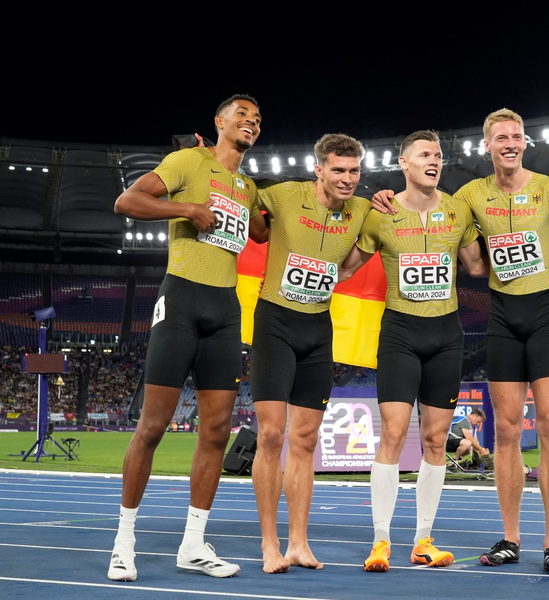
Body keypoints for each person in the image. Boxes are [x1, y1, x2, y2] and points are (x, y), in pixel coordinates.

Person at [371, 109, 549, 576]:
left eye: (517, 136)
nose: (510, 143)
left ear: (524, 143)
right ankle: (511, 538)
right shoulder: (470, 197)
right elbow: (459, 245)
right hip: (502, 317)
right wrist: (384, 198)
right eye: (501, 137)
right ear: (488, 146)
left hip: (546, 315)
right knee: (510, 430)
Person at [108, 94, 267, 582]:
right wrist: (189, 209)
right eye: (242, 115)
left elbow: (262, 232)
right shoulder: (187, 161)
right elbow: (127, 201)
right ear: (218, 122)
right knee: (152, 427)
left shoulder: (248, 186)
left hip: (224, 309)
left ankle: (193, 545)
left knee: (217, 432)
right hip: (179, 302)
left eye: (257, 119)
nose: (251, 122)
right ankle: (123, 541)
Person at [338, 130, 488, 572]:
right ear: (404, 164)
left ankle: (423, 539)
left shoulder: (458, 210)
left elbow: (477, 266)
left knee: (436, 439)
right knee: (393, 434)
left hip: (447, 334)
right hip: (400, 333)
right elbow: (346, 265)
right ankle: (380, 539)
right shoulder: (380, 213)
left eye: (439, 155)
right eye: (424, 154)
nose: (434, 160)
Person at [249, 133, 373, 574]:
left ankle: (299, 543)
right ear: (318, 168)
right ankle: (269, 544)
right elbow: (240, 194)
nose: (347, 179)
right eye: (337, 170)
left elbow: (375, 242)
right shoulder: (284, 195)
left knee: (304, 441)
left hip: (318, 329)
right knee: (270, 436)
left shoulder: (362, 209)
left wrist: (345, 270)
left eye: (354, 171)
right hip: (275, 323)